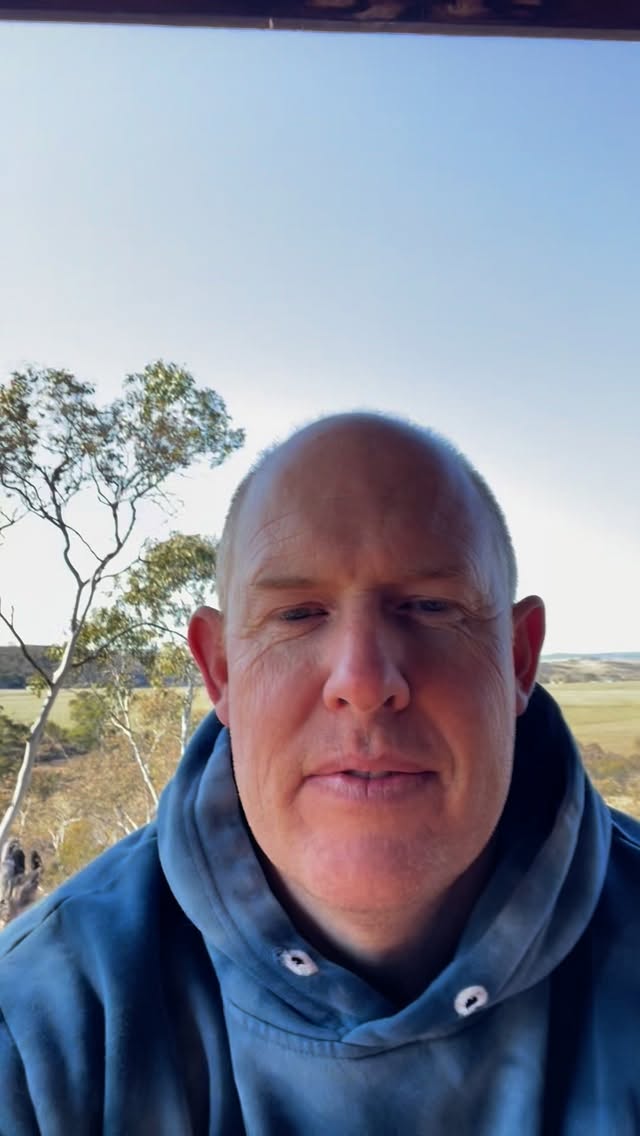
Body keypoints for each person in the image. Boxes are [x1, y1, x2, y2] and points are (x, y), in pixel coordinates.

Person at [0, 411, 638, 1134]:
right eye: (298, 614)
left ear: (519, 660)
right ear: (220, 671)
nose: (364, 681)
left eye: (431, 607)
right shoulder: (39, 1033)